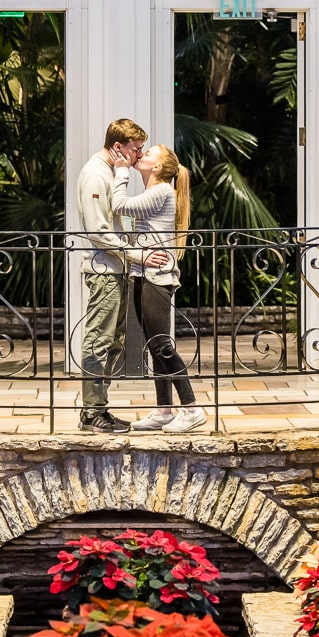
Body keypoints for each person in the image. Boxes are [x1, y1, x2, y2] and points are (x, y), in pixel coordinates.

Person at [114, 145, 206, 434]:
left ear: (157, 168)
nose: (142, 154)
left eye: (149, 153)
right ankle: (164, 409)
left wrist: (120, 172)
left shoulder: (162, 190)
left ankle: (191, 408)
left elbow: (120, 206)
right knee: (154, 346)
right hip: (143, 273)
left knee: (163, 346)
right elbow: (130, 222)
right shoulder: (151, 193)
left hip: (157, 277)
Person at [74, 119, 147, 433]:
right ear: (118, 147)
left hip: (116, 269)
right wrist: (136, 255)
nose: (139, 154)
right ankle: (91, 412)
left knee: (113, 341)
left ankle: (99, 407)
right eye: (135, 148)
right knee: (99, 340)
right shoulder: (94, 174)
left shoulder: (111, 174)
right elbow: (99, 233)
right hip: (104, 270)